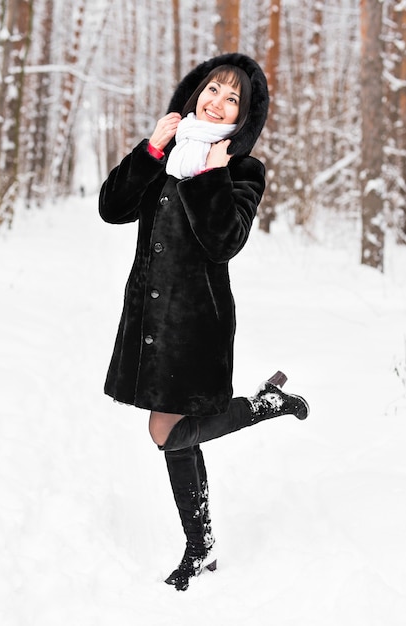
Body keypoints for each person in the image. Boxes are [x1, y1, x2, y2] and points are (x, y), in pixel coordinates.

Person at [99, 53, 309, 592]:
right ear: (196, 93)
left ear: (243, 118)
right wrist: (149, 150)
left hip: (197, 323)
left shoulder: (242, 169)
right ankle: (201, 545)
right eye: (212, 89)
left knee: (163, 431)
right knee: (176, 437)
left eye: (231, 98)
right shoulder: (166, 153)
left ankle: (265, 406)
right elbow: (112, 208)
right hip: (149, 314)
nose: (216, 101)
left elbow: (224, 242)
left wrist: (212, 174)